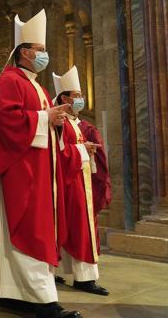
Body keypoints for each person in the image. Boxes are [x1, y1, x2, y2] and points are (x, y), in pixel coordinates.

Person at [0, 10, 80, 318]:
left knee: (33, 230)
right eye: (42, 50)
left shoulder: (39, 88)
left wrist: (56, 121)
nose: (45, 55)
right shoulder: (9, 81)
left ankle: (12, 294)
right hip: (19, 172)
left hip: (40, 171)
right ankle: (41, 299)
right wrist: (45, 118)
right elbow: (3, 121)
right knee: (26, 229)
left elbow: (44, 123)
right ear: (25, 51)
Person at [52, 66, 110, 296]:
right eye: (76, 96)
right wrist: (82, 149)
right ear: (64, 98)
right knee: (76, 228)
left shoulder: (77, 123)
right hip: (68, 182)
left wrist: (88, 152)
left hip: (81, 180)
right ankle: (81, 278)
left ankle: (82, 275)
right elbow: (57, 152)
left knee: (82, 228)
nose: (81, 100)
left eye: (81, 96)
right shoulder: (59, 121)